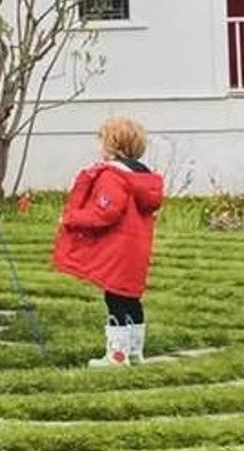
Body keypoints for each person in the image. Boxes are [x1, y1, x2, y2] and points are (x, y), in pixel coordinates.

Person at [53, 117, 164, 367]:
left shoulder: (113, 176)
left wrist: (71, 218)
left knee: (114, 299)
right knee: (131, 298)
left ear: (113, 144)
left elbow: (105, 212)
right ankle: (135, 352)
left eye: (102, 141)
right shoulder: (144, 178)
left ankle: (116, 356)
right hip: (136, 250)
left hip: (116, 251)